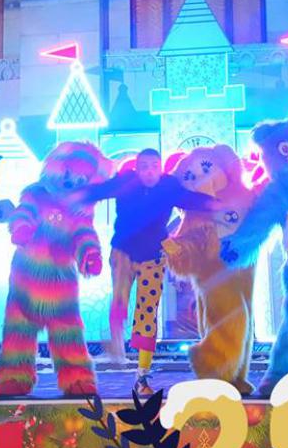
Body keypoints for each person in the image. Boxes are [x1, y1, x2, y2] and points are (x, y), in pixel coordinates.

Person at [78, 148, 218, 395]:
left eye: (154, 166)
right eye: (144, 167)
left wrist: (222, 204)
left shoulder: (168, 187)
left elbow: (192, 200)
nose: (149, 172)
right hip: (123, 251)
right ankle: (115, 335)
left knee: (147, 313)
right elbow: (99, 191)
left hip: (153, 255)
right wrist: (73, 197)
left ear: (161, 169)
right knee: (120, 298)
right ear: (137, 169)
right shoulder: (126, 182)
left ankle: (142, 376)